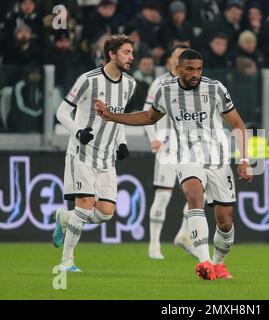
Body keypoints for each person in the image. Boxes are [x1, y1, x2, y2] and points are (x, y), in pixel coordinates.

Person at [95, 49, 253, 280]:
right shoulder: (166, 90)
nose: (195, 74)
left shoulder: (215, 88)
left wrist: (246, 160)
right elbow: (149, 117)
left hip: (217, 157)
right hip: (186, 155)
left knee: (225, 221)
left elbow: (237, 123)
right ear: (178, 68)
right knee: (194, 196)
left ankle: (218, 264)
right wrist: (112, 115)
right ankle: (205, 262)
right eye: (189, 69)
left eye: (199, 69)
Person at [52, 35, 136, 272]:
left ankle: (64, 218)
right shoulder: (88, 80)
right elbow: (61, 112)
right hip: (82, 153)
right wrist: (78, 132)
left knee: (106, 213)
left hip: (107, 158)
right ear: (111, 54)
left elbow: (118, 117)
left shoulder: (130, 84)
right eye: (127, 52)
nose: (132, 57)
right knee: (85, 205)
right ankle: (66, 262)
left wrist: (122, 142)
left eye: (131, 52)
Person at [141, 45, 196, 260]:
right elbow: (147, 113)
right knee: (163, 196)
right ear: (171, 60)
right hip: (166, 146)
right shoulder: (161, 83)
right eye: (177, 56)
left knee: (198, 192)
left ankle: (183, 234)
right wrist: (153, 138)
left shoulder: (194, 83)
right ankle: (154, 245)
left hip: (189, 147)